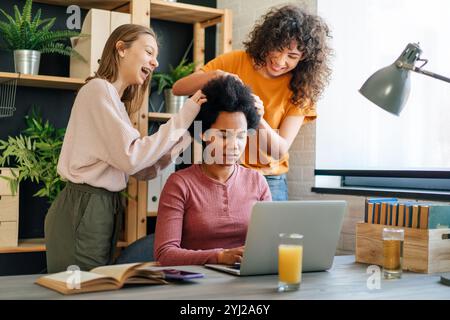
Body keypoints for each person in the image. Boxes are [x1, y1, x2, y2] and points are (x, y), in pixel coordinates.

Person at [44, 24, 206, 273]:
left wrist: (187, 134)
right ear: (121, 48)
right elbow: (132, 158)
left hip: (102, 206)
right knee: (83, 289)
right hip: (85, 206)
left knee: (95, 285)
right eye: (149, 52)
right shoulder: (98, 90)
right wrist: (184, 117)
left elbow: (143, 169)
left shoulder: (115, 102)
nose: (155, 63)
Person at [173, 5, 332, 200]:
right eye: (278, 49)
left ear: (304, 57)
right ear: (268, 41)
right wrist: (215, 75)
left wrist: (257, 117)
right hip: (224, 172)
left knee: (267, 231)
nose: (280, 61)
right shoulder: (236, 61)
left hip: (269, 180)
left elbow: (278, 151)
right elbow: (178, 88)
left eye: (292, 56)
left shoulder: (301, 89)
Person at [154, 76, 272, 266]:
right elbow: (165, 253)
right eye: (223, 135)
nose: (234, 145)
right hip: (195, 282)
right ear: (203, 134)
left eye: (241, 136)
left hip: (245, 280)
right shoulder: (180, 184)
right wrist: (219, 257)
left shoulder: (257, 182)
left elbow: (268, 243)